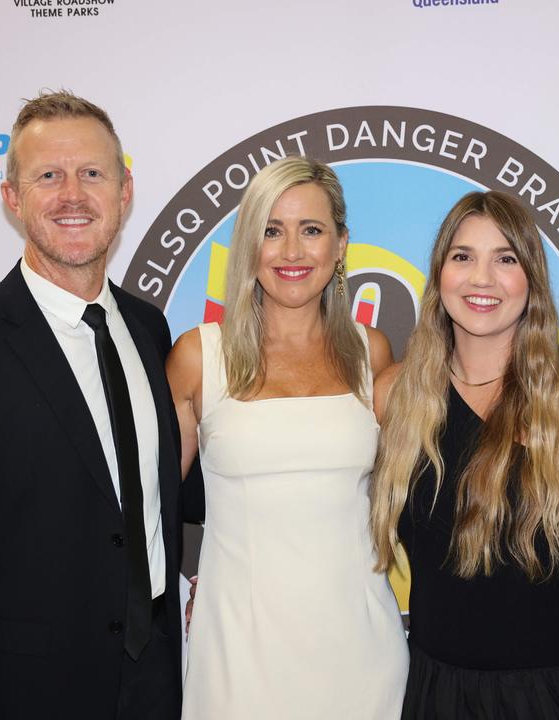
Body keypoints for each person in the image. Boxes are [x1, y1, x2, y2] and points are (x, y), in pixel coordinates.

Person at [0, 91, 192, 720]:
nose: (72, 195)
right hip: (25, 691)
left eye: (92, 173)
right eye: (47, 175)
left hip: (156, 678)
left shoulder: (148, 328)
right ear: (13, 197)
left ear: (124, 190)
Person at [166, 155, 408, 719]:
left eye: (312, 230)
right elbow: (152, 508)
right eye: (272, 231)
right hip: (237, 652)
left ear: (341, 244)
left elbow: (406, 497)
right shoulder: (199, 356)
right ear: (248, 243)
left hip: (361, 648)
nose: (292, 252)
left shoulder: (371, 354)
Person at [369, 191, 559, 719]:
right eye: (463, 256)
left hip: (552, 694)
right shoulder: (393, 394)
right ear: (440, 273)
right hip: (433, 689)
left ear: (531, 280)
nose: (481, 279)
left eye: (506, 259)